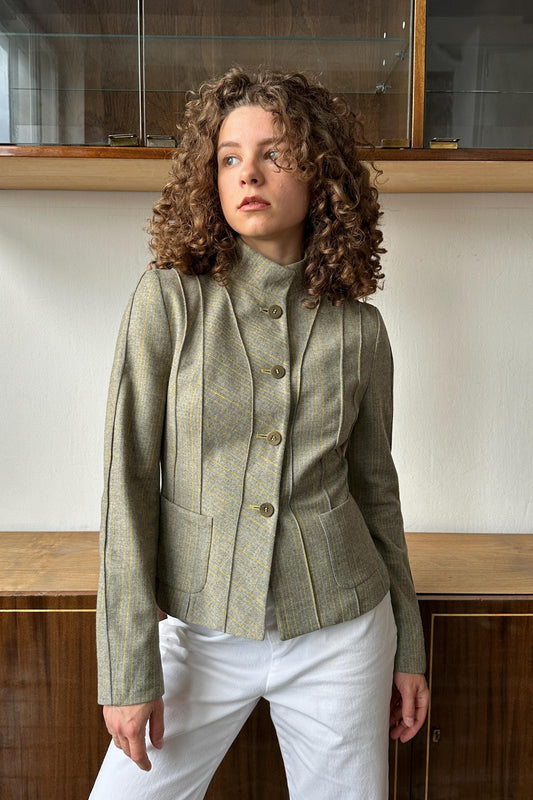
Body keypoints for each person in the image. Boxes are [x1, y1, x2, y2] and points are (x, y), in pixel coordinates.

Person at [90, 67, 429, 800]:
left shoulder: (361, 331)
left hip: (342, 634)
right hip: (199, 628)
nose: (248, 173)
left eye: (274, 153)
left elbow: (376, 490)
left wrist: (409, 642)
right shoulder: (168, 300)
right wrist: (126, 668)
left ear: (320, 174)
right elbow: (126, 485)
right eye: (228, 158)